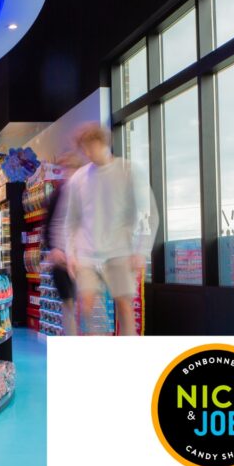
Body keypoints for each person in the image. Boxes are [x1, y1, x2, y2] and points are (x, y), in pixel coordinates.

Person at [65, 123, 157, 336]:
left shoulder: (129, 171)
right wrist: (71, 254)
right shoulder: (78, 179)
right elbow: (71, 221)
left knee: (124, 306)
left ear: (103, 142)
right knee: (86, 306)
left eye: (90, 147)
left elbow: (147, 213)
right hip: (87, 253)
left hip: (120, 250)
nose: (88, 153)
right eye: (84, 149)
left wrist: (142, 250)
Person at [42, 153, 82, 336]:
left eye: (72, 168)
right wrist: (54, 249)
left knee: (85, 303)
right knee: (69, 304)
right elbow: (48, 224)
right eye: (66, 169)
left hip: (82, 257)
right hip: (61, 258)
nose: (68, 173)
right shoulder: (58, 194)